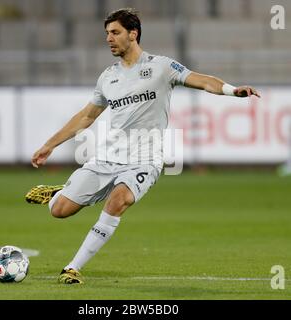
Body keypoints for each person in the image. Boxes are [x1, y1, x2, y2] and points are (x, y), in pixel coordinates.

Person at [26, 8, 260, 284]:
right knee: (60, 211)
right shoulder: (107, 78)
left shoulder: (161, 67)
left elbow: (203, 80)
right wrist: (49, 145)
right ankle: (61, 192)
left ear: (133, 34)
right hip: (109, 157)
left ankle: (72, 268)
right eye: (107, 34)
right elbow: (86, 116)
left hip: (144, 159)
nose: (109, 39)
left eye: (115, 32)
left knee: (118, 200)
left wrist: (232, 90)